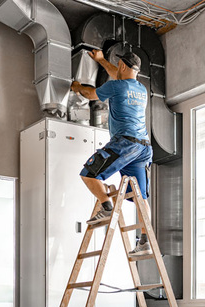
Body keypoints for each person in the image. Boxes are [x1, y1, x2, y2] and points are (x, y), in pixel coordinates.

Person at [71, 49, 153, 256]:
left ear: (123, 66)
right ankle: (145, 242)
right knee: (141, 198)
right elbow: (117, 74)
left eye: (119, 66)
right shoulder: (141, 89)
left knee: (88, 174)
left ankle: (106, 207)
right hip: (143, 147)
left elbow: (91, 94)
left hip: (124, 143)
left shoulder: (115, 86)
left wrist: (77, 87)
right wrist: (101, 61)